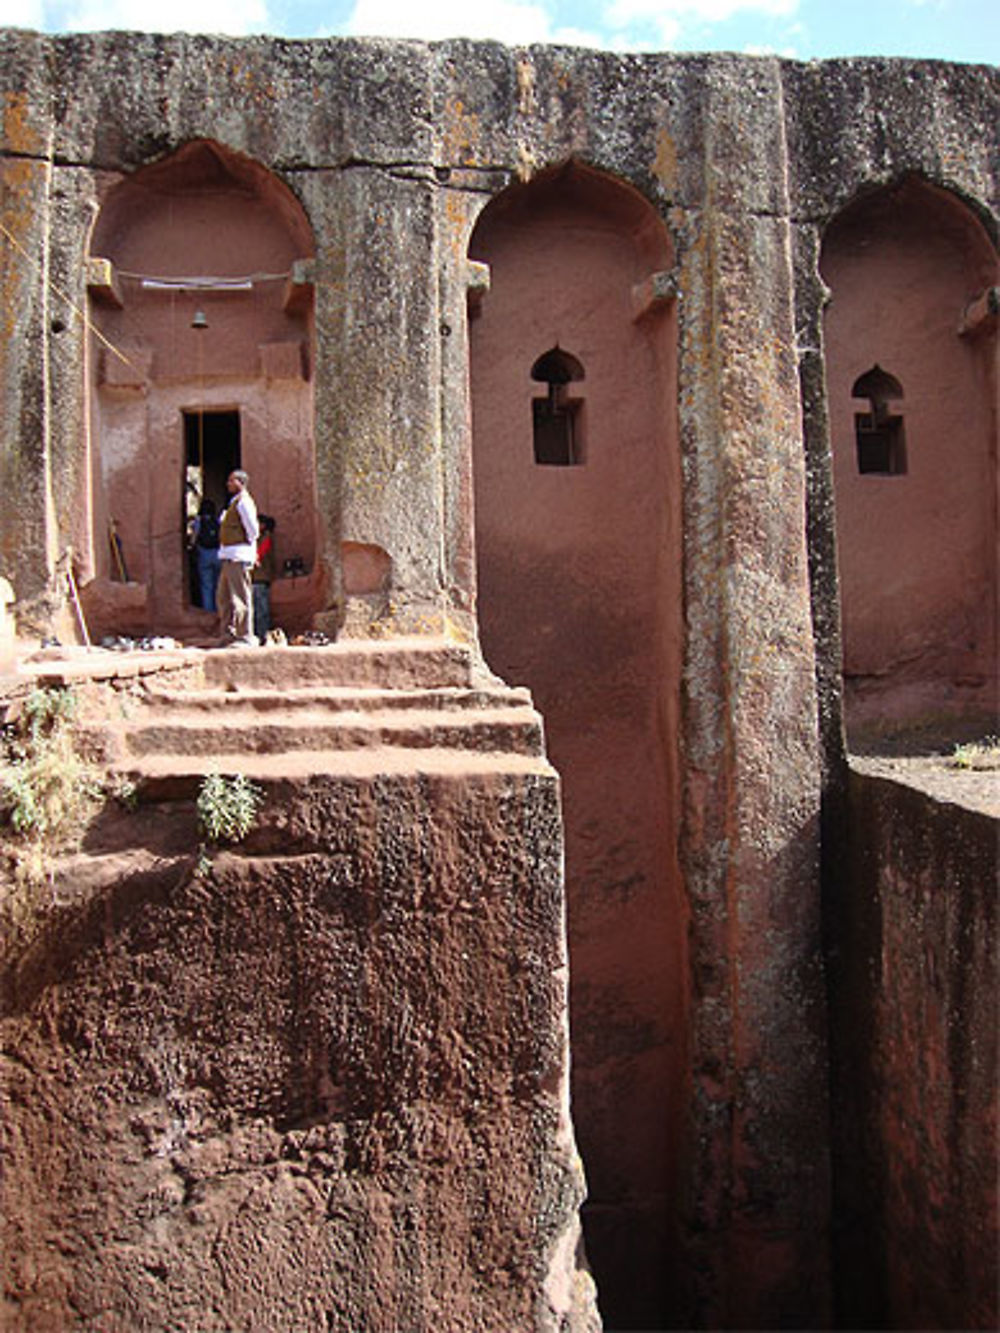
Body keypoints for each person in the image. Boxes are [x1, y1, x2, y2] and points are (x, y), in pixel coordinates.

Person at [216, 469, 259, 646]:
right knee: (224, 597)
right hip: (228, 556)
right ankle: (228, 633)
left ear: (240, 483)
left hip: (238, 556)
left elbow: (253, 529)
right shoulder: (234, 503)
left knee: (240, 597)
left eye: (231, 481)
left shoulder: (244, 502)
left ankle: (245, 635)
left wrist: (246, 547)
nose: (228, 484)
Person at [190, 497, 221, 611]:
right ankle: (219, 609)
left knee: (206, 585)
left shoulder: (199, 521)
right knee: (219, 584)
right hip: (218, 554)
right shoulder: (217, 521)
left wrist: (192, 546)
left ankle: (208, 611)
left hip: (204, 554)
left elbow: (194, 537)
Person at [252, 514, 277, 643]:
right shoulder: (262, 538)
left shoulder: (266, 539)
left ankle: (262, 634)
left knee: (261, 609)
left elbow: (258, 555)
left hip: (260, 578)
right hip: (257, 578)